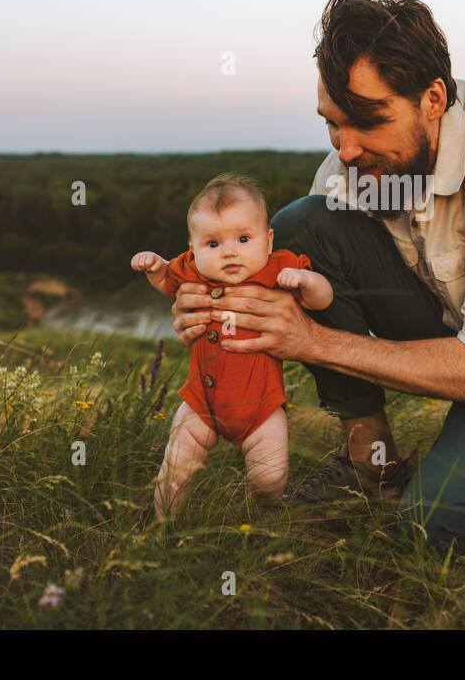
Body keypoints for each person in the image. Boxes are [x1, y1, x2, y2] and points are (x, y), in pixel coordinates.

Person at [169, 0, 465, 556]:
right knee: (304, 228)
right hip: (451, 312)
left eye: (367, 120)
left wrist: (313, 341)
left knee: (439, 526)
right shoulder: (355, 163)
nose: (344, 149)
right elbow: (275, 274)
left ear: (433, 99)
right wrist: (209, 300)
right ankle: (372, 459)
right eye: (332, 123)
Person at [132, 173, 333, 516]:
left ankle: (267, 510)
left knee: (269, 476)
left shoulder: (278, 268)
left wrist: (307, 281)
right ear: (193, 248)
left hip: (262, 406)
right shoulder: (193, 271)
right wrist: (156, 267)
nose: (229, 252)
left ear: (268, 241)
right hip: (201, 401)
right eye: (213, 244)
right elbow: (168, 282)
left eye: (243, 238)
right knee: (176, 465)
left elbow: (322, 300)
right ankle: (163, 525)